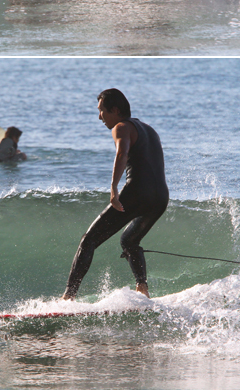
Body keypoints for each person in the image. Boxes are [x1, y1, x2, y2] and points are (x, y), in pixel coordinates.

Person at [62, 88, 168, 300]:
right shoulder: (148, 128)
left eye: (102, 111)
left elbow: (122, 152)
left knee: (88, 240)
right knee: (129, 241)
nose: (99, 116)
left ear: (115, 110)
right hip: (161, 196)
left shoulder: (121, 127)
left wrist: (113, 188)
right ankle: (142, 288)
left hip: (137, 192)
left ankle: (68, 297)